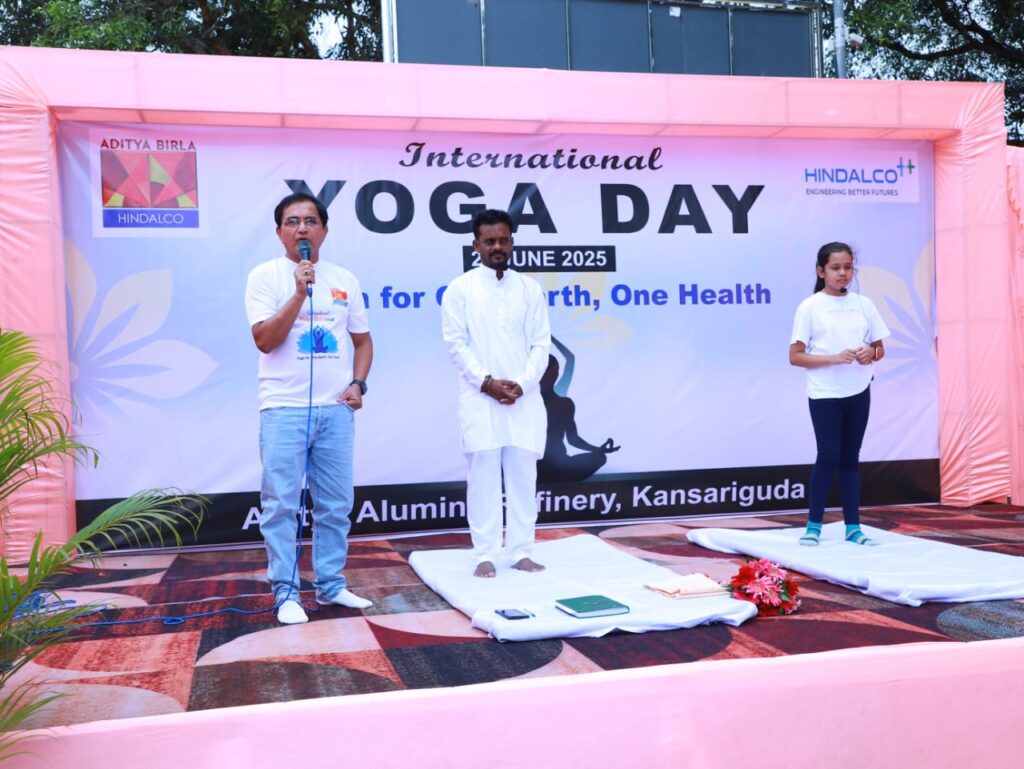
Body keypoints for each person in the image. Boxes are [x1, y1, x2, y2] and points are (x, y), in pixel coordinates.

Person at [244, 192, 373, 624]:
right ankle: (286, 592)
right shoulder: (264, 277)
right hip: (284, 408)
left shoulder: (345, 279)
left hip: (335, 411)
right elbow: (265, 340)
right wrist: (299, 293)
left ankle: (331, 585)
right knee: (281, 506)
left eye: (311, 221)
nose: (302, 228)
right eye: (293, 221)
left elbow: (363, 341)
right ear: (279, 231)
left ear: (325, 230)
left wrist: (358, 384)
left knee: (335, 505)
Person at [441, 209, 552, 578]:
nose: (497, 247)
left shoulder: (529, 289)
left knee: (523, 477)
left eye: (503, 240)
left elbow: (541, 344)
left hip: (523, 398)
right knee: (484, 478)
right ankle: (484, 554)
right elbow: (455, 344)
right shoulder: (460, 289)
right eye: (489, 241)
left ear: (512, 242)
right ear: (476, 245)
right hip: (480, 398)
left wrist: (523, 383)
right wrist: (486, 382)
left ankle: (521, 551)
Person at [789, 241, 890, 547]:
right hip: (825, 393)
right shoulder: (810, 307)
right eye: (835, 268)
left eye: (847, 267)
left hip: (858, 390)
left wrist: (870, 353)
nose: (843, 273)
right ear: (821, 271)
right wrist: (834, 358)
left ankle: (853, 527)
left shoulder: (864, 304)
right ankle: (813, 526)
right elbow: (795, 356)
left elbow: (880, 348)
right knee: (828, 456)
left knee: (850, 459)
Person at [537, 336, 619, 484]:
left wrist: (598, 450)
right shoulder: (529, 402)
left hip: (558, 465)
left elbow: (573, 439)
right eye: (552, 371)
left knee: (600, 457)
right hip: (537, 466)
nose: (555, 374)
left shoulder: (563, 403)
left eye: (555, 370)